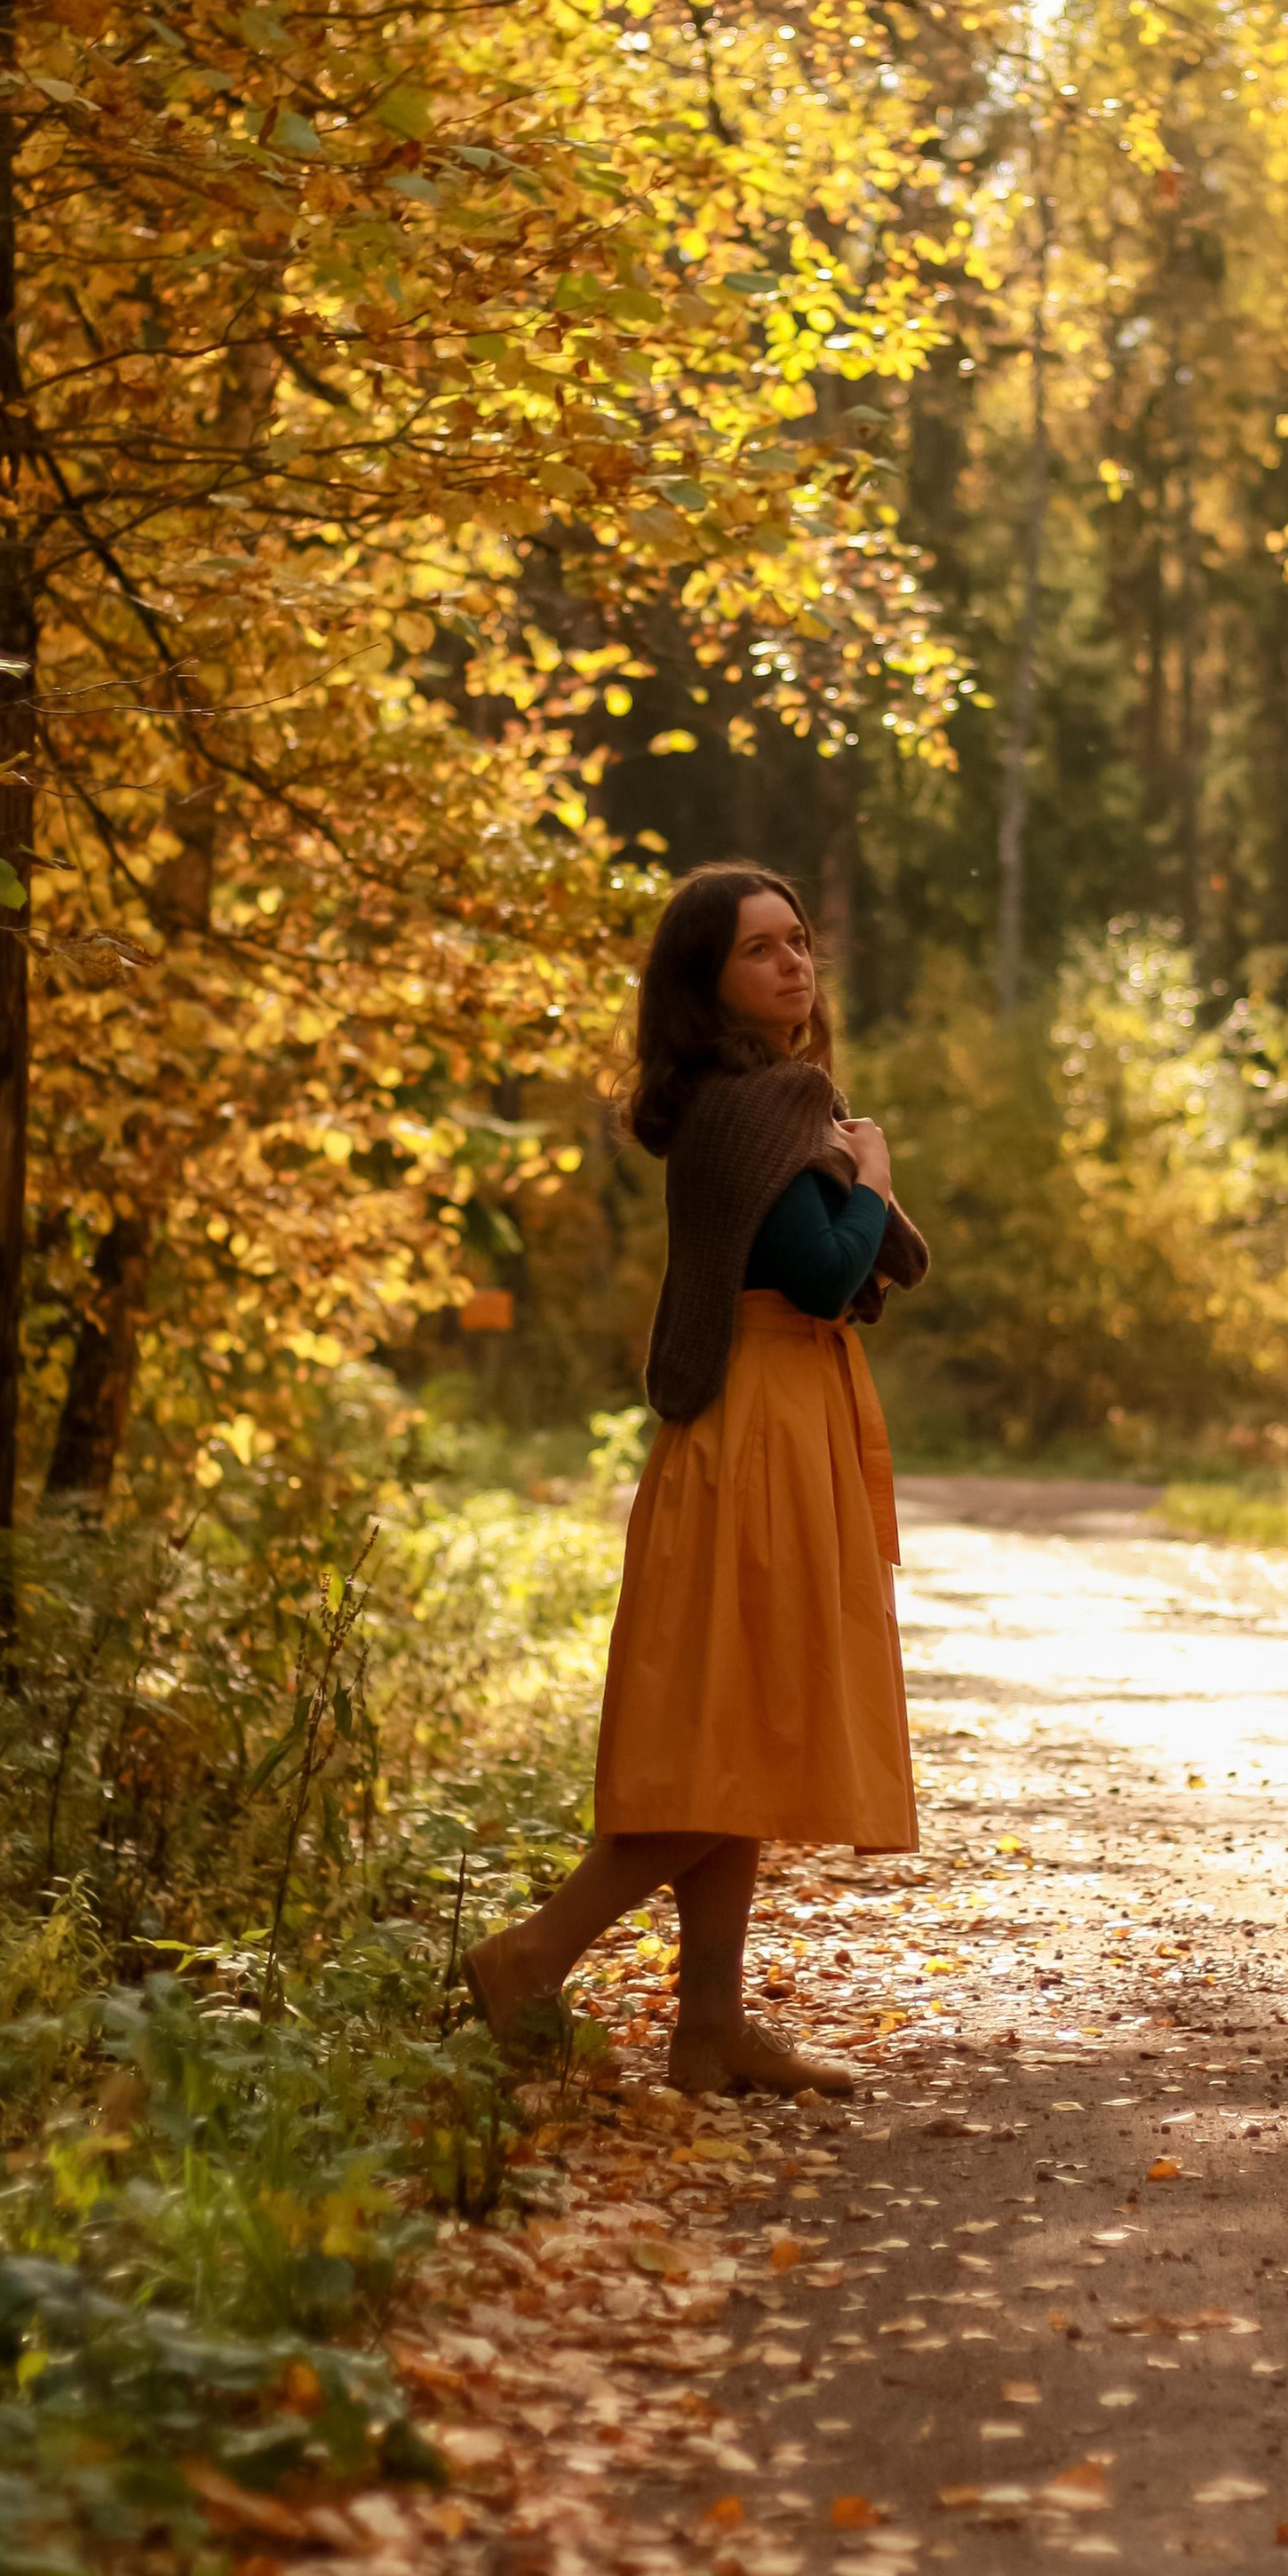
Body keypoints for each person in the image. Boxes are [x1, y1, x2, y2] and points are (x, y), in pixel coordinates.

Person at [463, 860, 928, 2095]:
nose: (792, 964)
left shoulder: (755, 1100)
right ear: (706, 987)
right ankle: (533, 1956)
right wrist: (871, 1175)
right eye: (758, 949)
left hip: (778, 1421)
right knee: (736, 1731)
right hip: (759, 1432)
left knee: (745, 1727)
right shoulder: (759, 1106)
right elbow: (827, 1276)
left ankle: (710, 2023)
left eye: (798, 940)